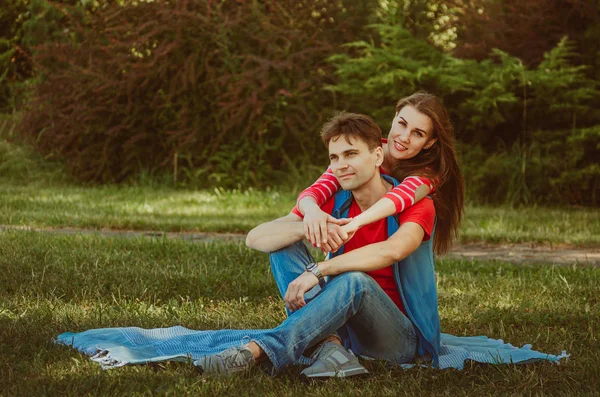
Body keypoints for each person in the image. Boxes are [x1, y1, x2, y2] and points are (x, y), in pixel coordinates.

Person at [194, 99, 464, 378]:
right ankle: (331, 349)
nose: (341, 166)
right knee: (282, 244)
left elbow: (393, 250)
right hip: (342, 325)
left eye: (351, 155)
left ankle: (255, 351)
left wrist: (320, 269)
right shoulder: (338, 197)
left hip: (397, 339)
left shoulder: (419, 200)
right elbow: (256, 237)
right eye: (335, 158)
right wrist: (313, 225)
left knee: (356, 280)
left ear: (377, 155)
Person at [296, 92, 464, 258]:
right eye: (402, 124)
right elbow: (318, 189)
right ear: (394, 117)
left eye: (418, 133)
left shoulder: (427, 175)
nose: (405, 137)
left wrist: (353, 224)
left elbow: (398, 198)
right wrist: (312, 211)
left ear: (429, 142)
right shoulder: (363, 153)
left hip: (397, 254)